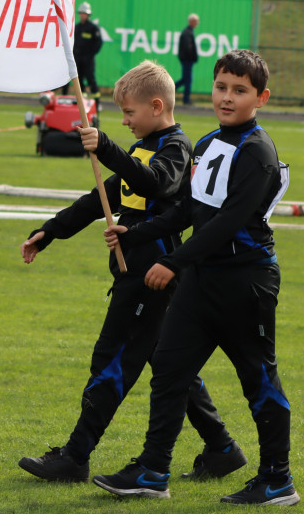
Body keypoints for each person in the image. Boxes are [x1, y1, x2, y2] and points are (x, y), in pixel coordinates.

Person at [18, 61, 246, 484]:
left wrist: (105, 147)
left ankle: (75, 457)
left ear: (157, 106)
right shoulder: (141, 145)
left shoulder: (177, 148)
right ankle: (222, 448)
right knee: (170, 366)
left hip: (151, 277)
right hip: (136, 276)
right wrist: (49, 232)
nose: (124, 122)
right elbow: (99, 198)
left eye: (130, 114)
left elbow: (153, 183)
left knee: (112, 360)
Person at [93, 49, 297, 506]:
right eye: (221, 87)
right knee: (168, 370)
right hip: (202, 282)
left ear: (260, 97)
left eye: (239, 90)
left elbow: (229, 221)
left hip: (246, 283)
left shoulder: (258, 151)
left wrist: (174, 261)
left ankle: (277, 479)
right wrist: (138, 232)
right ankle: (152, 472)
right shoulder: (206, 144)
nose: (227, 97)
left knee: (258, 378)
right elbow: (190, 209)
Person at [63, 1, 102, 98]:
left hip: (88, 60)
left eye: (84, 14)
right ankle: (82, 101)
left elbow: (98, 43)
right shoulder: (77, 27)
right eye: (81, 13)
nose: (82, 15)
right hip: (78, 58)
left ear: (88, 15)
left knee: (90, 79)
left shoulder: (93, 28)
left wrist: (90, 54)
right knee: (79, 79)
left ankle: (96, 102)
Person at [176, 13, 199, 106]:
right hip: (187, 60)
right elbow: (187, 47)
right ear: (191, 21)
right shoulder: (187, 32)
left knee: (185, 79)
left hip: (186, 59)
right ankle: (186, 99)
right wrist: (192, 57)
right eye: (196, 21)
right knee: (187, 80)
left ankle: (170, 89)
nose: (197, 23)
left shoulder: (188, 31)